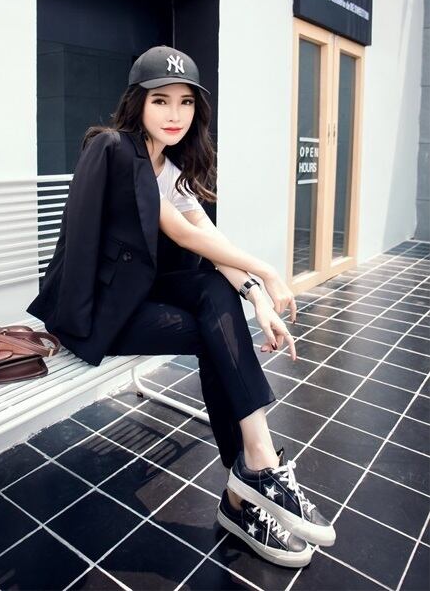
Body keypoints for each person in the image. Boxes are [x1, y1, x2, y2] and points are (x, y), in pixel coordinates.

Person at [26, 45, 336, 568]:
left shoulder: (169, 168)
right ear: (138, 103)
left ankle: (254, 474)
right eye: (161, 100)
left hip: (135, 299)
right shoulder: (115, 150)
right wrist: (267, 270)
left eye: (186, 102)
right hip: (94, 314)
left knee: (216, 298)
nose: (175, 114)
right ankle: (248, 488)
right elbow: (182, 233)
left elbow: (208, 237)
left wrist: (256, 296)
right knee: (215, 335)